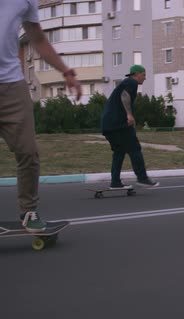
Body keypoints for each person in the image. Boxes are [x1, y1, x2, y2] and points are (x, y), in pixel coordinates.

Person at [0, 0, 82, 232]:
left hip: (12, 86)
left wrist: (66, 70)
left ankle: (28, 211)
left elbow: (37, 39)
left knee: (28, 152)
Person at [101, 64, 159, 189]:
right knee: (134, 149)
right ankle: (142, 178)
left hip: (108, 124)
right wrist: (129, 114)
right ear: (136, 74)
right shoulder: (131, 82)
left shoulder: (125, 83)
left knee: (119, 152)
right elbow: (124, 96)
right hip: (119, 124)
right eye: (143, 75)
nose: (145, 78)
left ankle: (115, 182)